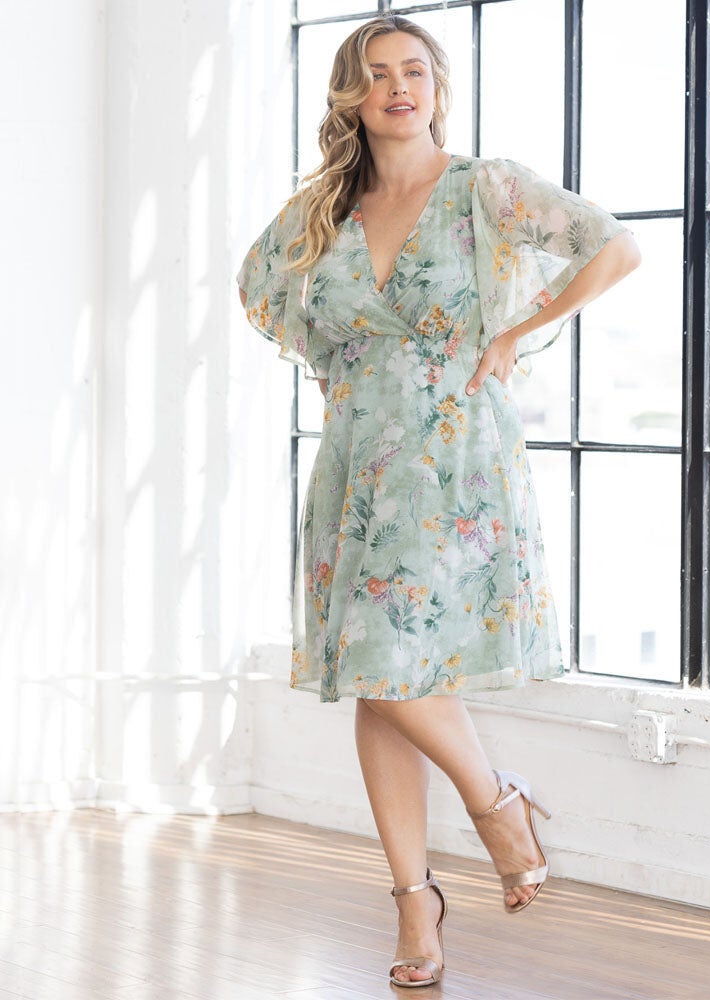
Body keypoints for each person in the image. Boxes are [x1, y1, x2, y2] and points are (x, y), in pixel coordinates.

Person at [237, 13, 641, 988]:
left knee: (393, 667)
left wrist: (513, 334)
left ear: (436, 88)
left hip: (456, 456)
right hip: (358, 460)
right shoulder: (322, 212)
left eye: (414, 70)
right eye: (376, 73)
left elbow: (612, 248)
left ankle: (493, 806)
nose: (397, 87)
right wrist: (335, 363)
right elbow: (258, 289)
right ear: (351, 95)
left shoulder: (481, 188)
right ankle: (417, 896)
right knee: (381, 674)